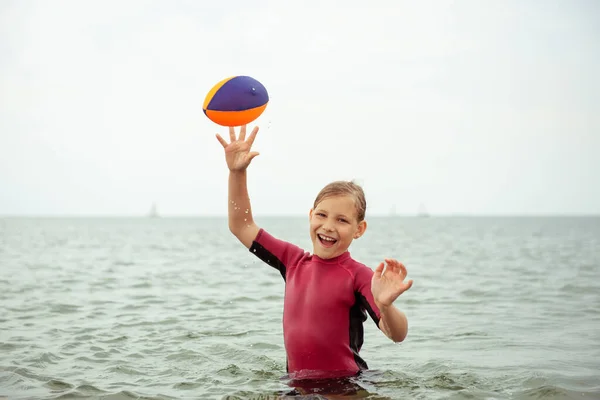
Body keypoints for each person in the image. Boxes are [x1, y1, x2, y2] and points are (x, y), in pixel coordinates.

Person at [216, 125, 414, 381]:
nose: (328, 226)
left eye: (342, 220)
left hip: (345, 387)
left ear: (359, 229)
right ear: (311, 216)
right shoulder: (292, 260)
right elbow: (240, 226)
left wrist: (386, 306)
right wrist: (236, 173)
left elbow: (397, 334)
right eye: (321, 215)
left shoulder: (359, 276)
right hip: (295, 386)